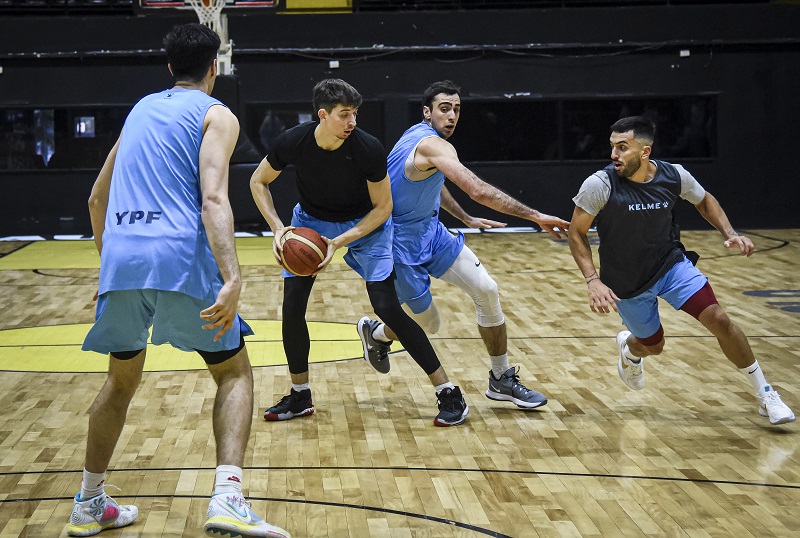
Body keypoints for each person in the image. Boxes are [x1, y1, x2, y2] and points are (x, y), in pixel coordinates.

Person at [73, 24, 289, 538]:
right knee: (234, 373)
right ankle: (229, 498)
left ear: (170, 68)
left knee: (120, 381)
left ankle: (88, 501)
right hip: (177, 257)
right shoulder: (217, 115)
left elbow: (95, 201)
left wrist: (112, 268)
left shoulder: (139, 110)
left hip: (122, 259)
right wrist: (233, 276)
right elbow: (213, 198)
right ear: (215, 67)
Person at [250, 79, 469, 427]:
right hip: (310, 222)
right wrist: (279, 229)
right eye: (344, 115)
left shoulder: (367, 148)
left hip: (367, 225)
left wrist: (338, 242)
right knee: (292, 307)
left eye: (355, 113)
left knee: (386, 307)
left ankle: (447, 390)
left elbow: (383, 208)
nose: (352, 121)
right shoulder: (293, 141)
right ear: (323, 115)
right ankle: (300, 394)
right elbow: (258, 182)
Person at [567, 115, 794, 425]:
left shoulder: (674, 176)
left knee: (719, 318)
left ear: (645, 152)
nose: (614, 155)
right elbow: (576, 233)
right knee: (653, 346)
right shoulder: (600, 184)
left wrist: (730, 233)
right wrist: (593, 280)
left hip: (669, 265)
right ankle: (629, 349)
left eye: (622, 147)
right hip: (626, 281)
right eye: (612, 147)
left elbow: (704, 201)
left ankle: (766, 394)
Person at [357, 80, 569, 410]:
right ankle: (378, 334)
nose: (452, 115)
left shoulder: (422, 141)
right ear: (427, 112)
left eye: (457, 109)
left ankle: (501, 379)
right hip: (399, 243)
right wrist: (536, 215)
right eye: (444, 108)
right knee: (429, 324)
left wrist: (465, 218)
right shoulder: (431, 144)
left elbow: (434, 182)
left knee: (487, 290)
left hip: (432, 232)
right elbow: (479, 190)